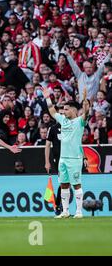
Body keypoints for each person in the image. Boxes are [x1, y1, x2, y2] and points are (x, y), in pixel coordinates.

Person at [43, 88, 90, 218]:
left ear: (74, 110)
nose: (64, 111)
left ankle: (79, 212)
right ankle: (65, 211)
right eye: (63, 109)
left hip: (74, 158)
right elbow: (52, 111)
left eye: (66, 109)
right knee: (63, 185)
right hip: (62, 159)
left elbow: (86, 113)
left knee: (76, 184)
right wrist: (47, 98)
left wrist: (85, 100)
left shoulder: (80, 121)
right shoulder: (63, 120)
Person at [45, 105, 64, 215]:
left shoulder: (70, 127)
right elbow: (47, 146)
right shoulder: (52, 129)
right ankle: (58, 206)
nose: (62, 115)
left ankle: (62, 207)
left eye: (64, 113)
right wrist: (47, 162)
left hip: (71, 159)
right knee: (63, 183)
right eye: (60, 113)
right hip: (59, 160)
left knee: (69, 184)